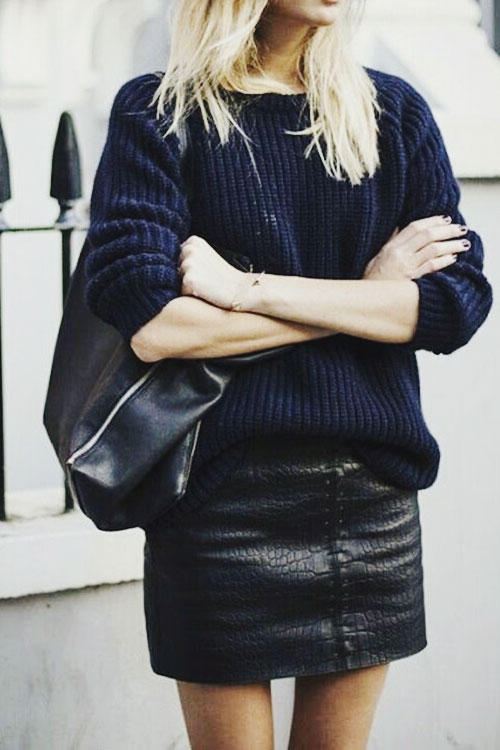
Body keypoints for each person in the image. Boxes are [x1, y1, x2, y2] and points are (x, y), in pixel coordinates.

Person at [84, 0, 493, 747]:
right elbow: (157, 327)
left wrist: (248, 291)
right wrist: (366, 295)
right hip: (219, 501)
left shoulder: (391, 114)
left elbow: (452, 305)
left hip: (370, 500)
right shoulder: (160, 114)